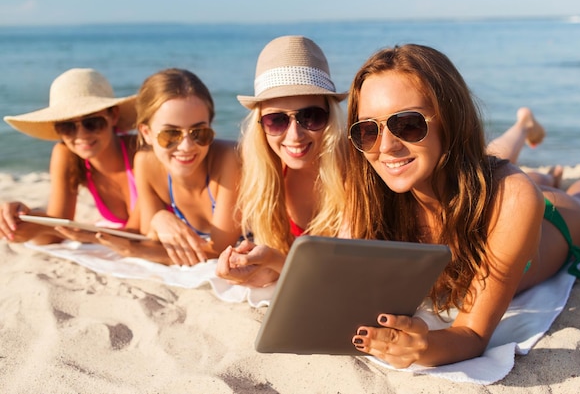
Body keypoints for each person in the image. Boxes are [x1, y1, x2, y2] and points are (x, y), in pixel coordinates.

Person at [343, 44, 580, 368]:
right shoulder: (369, 193)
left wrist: (422, 347)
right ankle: (525, 127)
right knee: (490, 165)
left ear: (450, 118)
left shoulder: (513, 197)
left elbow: (473, 334)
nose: (385, 146)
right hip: (484, 187)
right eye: (367, 130)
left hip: (552, 221)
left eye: (407, 124)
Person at [216, 35, 348, 287]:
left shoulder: (353, 173)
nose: (295, 135)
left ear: (330, 116)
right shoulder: (266, 175)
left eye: (310, 116)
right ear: (260, 125)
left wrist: (273, 260)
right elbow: (282, 269)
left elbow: (338, 279)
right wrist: (248, 271)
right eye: (276, 120)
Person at [1, 68, 139, 245]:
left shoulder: (141, 153)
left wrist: (84, 234)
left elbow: (143, 235)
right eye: (67, 126)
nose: (81, 135)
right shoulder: (67, 154)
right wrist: (23, 220)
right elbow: (54, 233)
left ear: (113, 115)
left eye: (92, 123)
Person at [123, 68, 241, 266]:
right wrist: (159, 219)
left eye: (199, 132)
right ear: (146, 133)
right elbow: (149, 237)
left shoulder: (230, 158)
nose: (187, 146)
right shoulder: (145, 163)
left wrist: (132, 250)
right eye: (171, 134)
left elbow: (219, 252)